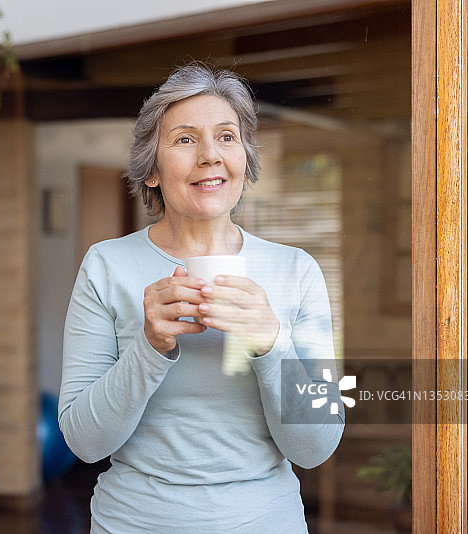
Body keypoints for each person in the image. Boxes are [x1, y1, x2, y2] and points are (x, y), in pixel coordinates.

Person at [59, 62, 344, 533]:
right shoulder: (106, 265)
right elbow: (85, 443)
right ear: (151, 170)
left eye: (227, 137)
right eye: (185, 139)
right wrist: (149, 347)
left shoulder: (297, 271)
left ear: (245, 163)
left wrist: (272, 343)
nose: (211, 155)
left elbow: (315, 449)